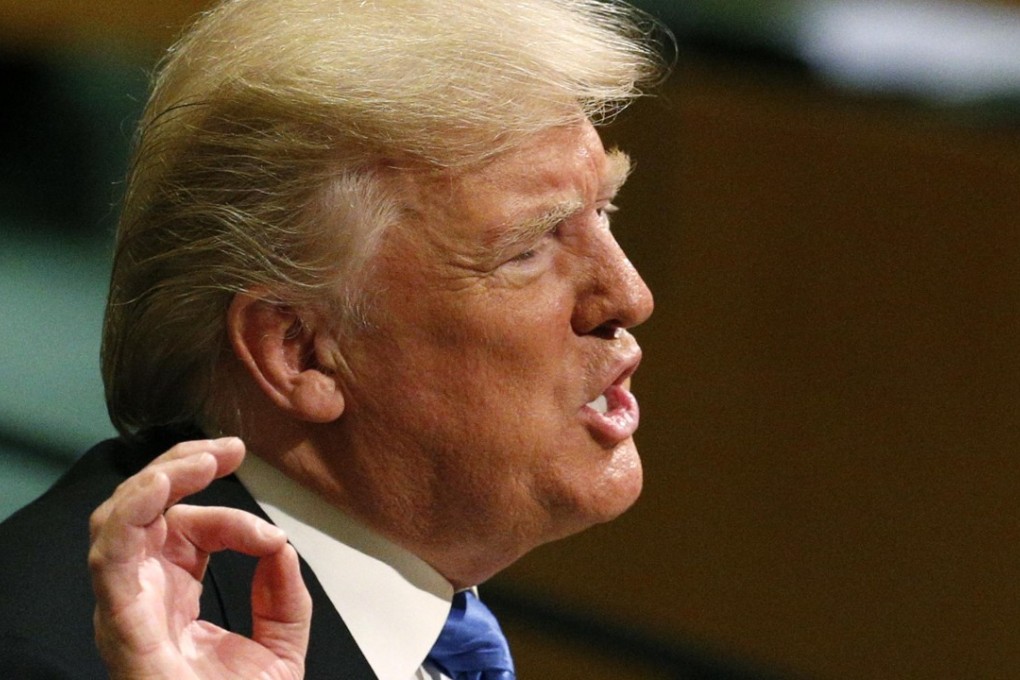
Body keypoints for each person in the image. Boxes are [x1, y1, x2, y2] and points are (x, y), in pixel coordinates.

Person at [0, 0, 665, 677]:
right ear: (300, 351)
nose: (629, 296)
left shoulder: (422, 622)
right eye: (529, 248)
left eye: (603, 210)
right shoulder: (62, 656)